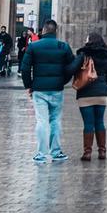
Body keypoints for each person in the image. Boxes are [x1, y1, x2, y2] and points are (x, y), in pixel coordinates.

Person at [19, 18, 76, 164]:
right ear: (55, 31)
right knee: (55, 120)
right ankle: (56, 152)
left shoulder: (34, 47)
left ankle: (41, 153)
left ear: (43, 30)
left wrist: (29, 85)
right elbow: (71, 67)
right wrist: (63, 80)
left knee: (42, 121)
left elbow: (25, 68)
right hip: (56, 89)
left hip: (39, 89)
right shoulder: (63, 46)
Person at [73, 31, 107, 162]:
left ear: (90, 41)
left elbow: (73, 69)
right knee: (100, 122)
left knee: (88, 123)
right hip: (101, 94)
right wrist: (102, 82)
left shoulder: (84, 54)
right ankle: (102, 151)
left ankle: (87, 153)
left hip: (85, 93)